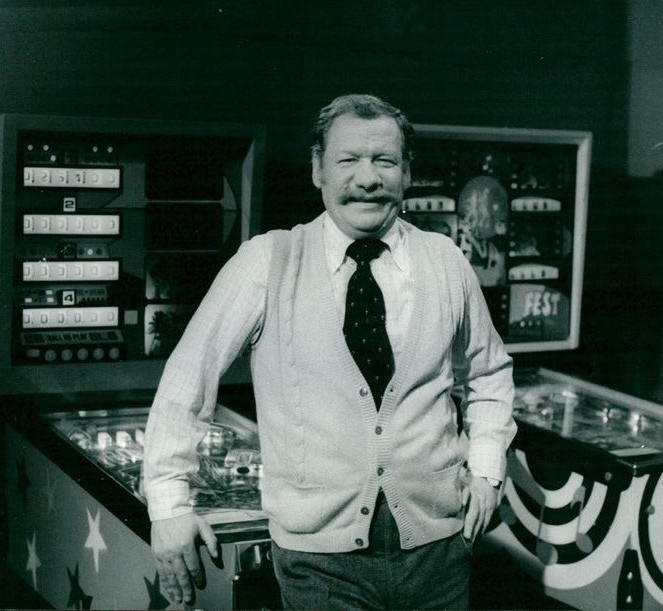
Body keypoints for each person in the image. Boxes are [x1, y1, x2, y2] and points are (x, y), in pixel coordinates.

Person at [143, 94, 517, 609]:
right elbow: (186, 381)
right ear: (317, 168)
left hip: (439, 553)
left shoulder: (445, 260)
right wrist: (167, 508)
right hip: (318, 565)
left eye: (384, 161)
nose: (367, 179)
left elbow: (490, 373)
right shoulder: (266, 262)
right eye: (348, 161)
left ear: (406, 173)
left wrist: (487, 471)